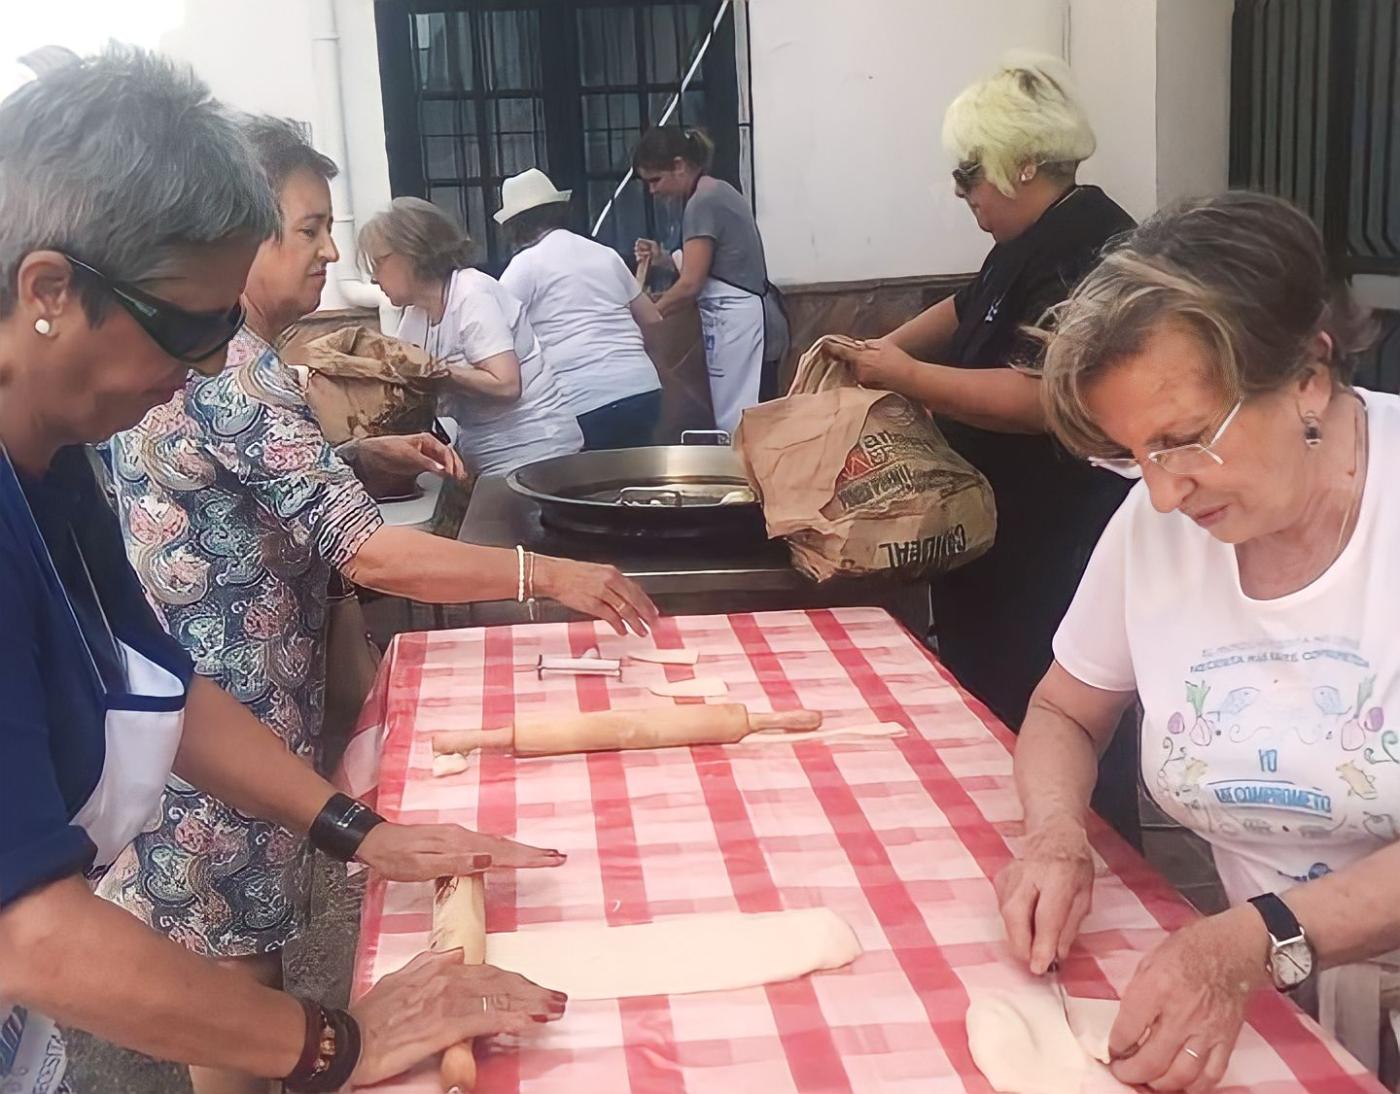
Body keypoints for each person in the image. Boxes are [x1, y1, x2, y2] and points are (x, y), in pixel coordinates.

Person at [0, 47, 565, 1094]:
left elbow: (163, 682)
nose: (208, 363)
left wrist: (359, 831)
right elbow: (28, 931)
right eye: (188, 325)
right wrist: (333, 1041)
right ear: (49, 289)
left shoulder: (54, 462)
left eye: (226, 325)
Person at [100, 116, 657, 1094]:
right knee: (235, 977)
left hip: (226, 717)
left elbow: (236, 481)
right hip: (218, 727)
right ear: (237, 236)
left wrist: (356, 453)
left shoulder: (243, 361)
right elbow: (371, 551)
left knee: (241, 958)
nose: (328, 251)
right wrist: (548, 574)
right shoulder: (228, 373)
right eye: (307, 229)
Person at [997, 193, 1399, 1091]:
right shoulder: (1157, 525)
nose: (1163, 492)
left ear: (1308, 377)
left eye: (1183, 441)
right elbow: (1066, 709)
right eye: (1130, 454)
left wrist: (1259, 937)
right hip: (1278, 997)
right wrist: (1055, 832)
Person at [827, 54, 1137, 830]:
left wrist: (909, 378)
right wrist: (875, 352)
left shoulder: (1093, 249)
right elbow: (970, 308)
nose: (963, 192)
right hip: (997, 534)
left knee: (1055, 726)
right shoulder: (1030, 238)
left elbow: (1048, 398)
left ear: (1022, 162)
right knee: (986, 720)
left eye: (970, 173)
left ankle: (1090, 856)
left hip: (1055, 539)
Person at [358, 197, 584, 476]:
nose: (373, 278)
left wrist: (436, 370)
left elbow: (507, 385)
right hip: (486, 457)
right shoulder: (415, 316)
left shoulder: (471, 292)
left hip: (538, 451)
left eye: (378, 263)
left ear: (411, 253)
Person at [632, 126, 789, 435]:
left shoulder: (704, 201)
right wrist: (663, 258)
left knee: (748, 423)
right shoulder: (715, 192)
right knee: (740, 422)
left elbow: (691, 283)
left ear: (679, 165)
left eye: (655, 180)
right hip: (737, 323)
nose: (653, 191)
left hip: (747, 324)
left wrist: (650, 313)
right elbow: (717, 264)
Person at [496, 168, 664, 451]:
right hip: (642, 389)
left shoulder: (525, 265)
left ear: (514, 225)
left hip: (582, 399)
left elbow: (495, 328)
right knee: (637, 473)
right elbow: (652, 318)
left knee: (589, 479)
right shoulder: (604, 253)